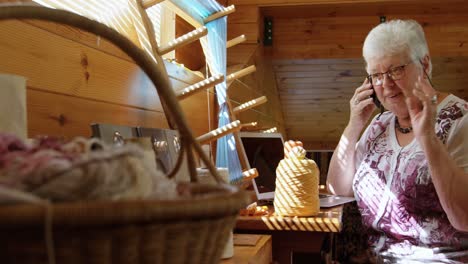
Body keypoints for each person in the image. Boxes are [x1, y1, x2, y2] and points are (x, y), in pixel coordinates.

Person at [327, 19, 468, 263]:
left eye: (396, 70)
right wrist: (354, 126)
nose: (387, 85)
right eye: (376, 75)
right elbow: (337, 191)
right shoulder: (379, 124)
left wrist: (427, 138)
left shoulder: (460, 120)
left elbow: (464, 218)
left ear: (424, 64)